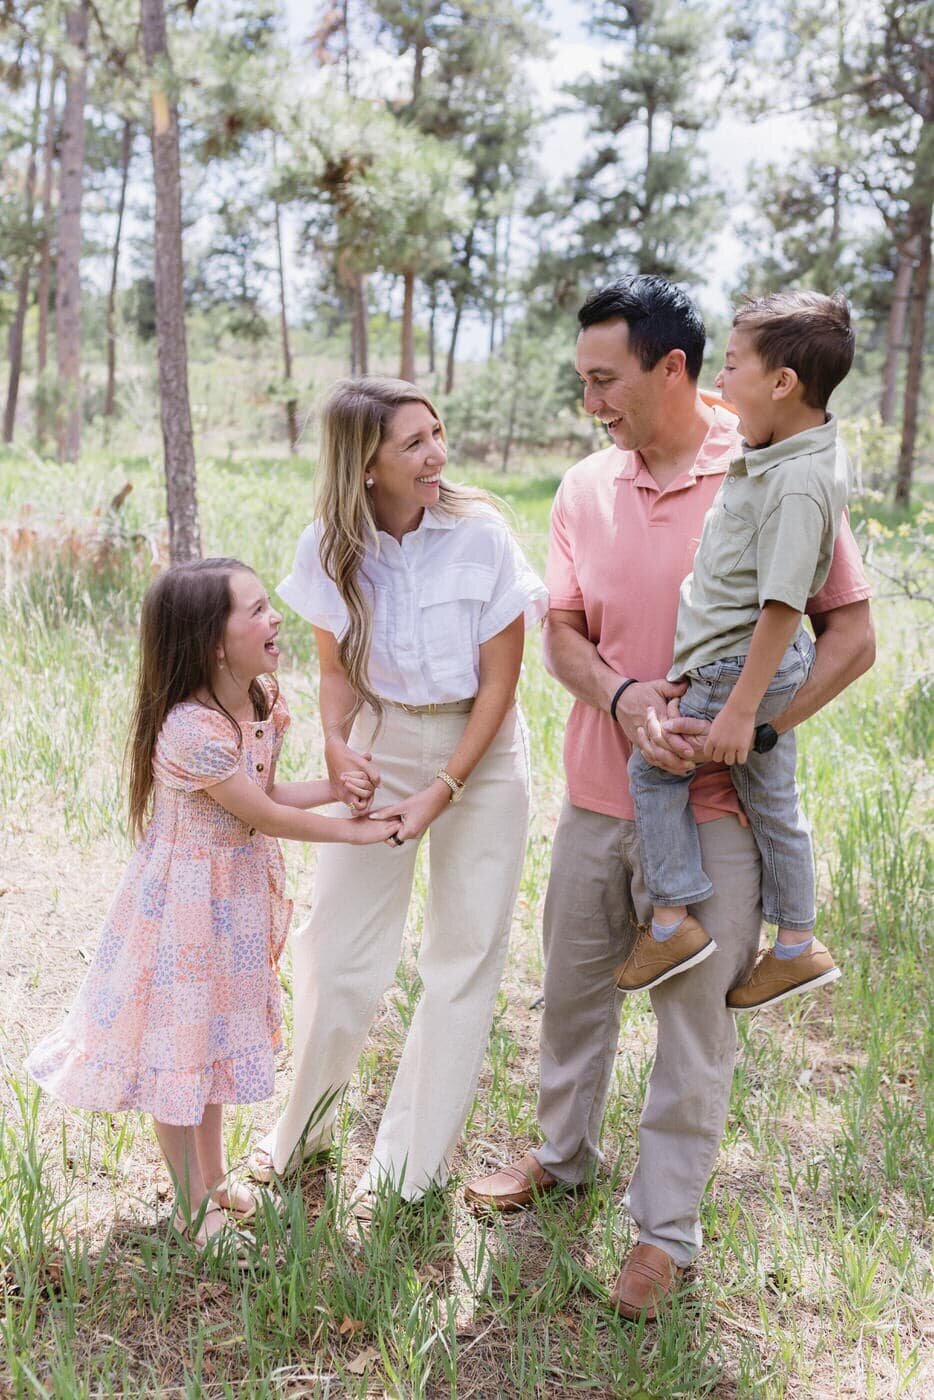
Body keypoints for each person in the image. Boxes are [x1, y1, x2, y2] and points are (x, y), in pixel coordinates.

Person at [464, 276, 874, 1319]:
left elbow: (852, 638)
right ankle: (562, 1154)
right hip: (598, 797)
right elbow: (562, 633)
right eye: (584, 381)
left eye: (605, 380)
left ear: (674, 368)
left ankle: (663, 1235)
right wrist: (625, 696)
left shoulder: (769, 467)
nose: (591, 401)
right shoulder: (581, 489)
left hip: (716, 815)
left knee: (694, 1027)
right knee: (574, 991)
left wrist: (753, 731)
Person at [26, 558, 400, 1255]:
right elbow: (263, 814)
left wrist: (334, 790)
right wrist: (359, 831)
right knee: (181, 1050)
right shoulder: (190, 730)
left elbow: (267, 793)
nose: (275, 617)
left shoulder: (257, 699)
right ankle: (192, 1210)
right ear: (212, 642)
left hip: (232, 902)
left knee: (214, 1042)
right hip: (187, 911)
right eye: (255, 610)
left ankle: (214, 1179)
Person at [249, 377, 547, 1213]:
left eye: (437, 434)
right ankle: (301, 1136)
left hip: (481, 752)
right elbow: (334, 671)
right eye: (414, 443)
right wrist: (337, 744)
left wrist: (444, 788)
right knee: (336, 947)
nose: (437, 454)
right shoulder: (330, 546)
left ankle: (408, 1173)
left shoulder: (482, 536)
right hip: (383, 741)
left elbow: (501, 686)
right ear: (366, 464)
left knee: (463, 954)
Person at [623, 291, 855, 1011]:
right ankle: (795, 943)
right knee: (773, 802)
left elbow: (783, 606)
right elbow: (734, 409)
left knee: (655, 769)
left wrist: (740, 710)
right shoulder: (789, 448)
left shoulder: (795, 484)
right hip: (757, 668)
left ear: (782, 383)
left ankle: (671, 921)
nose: (718, 383)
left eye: (729, 367)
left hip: (735, 666)